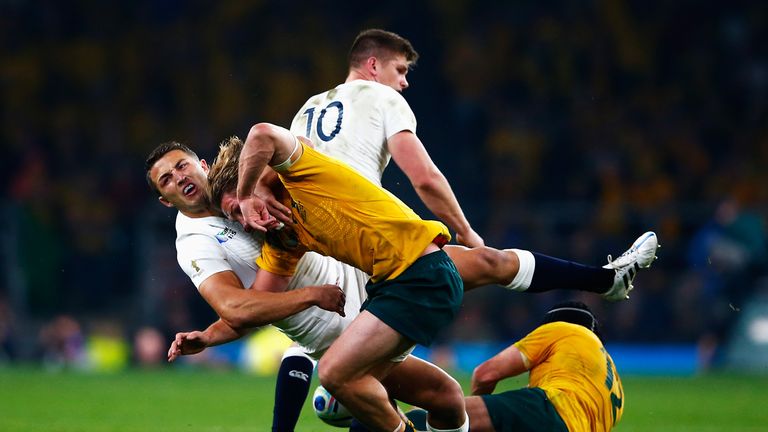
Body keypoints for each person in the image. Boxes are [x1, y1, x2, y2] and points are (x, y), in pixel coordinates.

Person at [407, 301, 624, 432]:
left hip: (550, 410)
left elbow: (485, 374)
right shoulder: (614, 383)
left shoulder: (564, 329)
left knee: (441, 415)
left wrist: (465, 417)